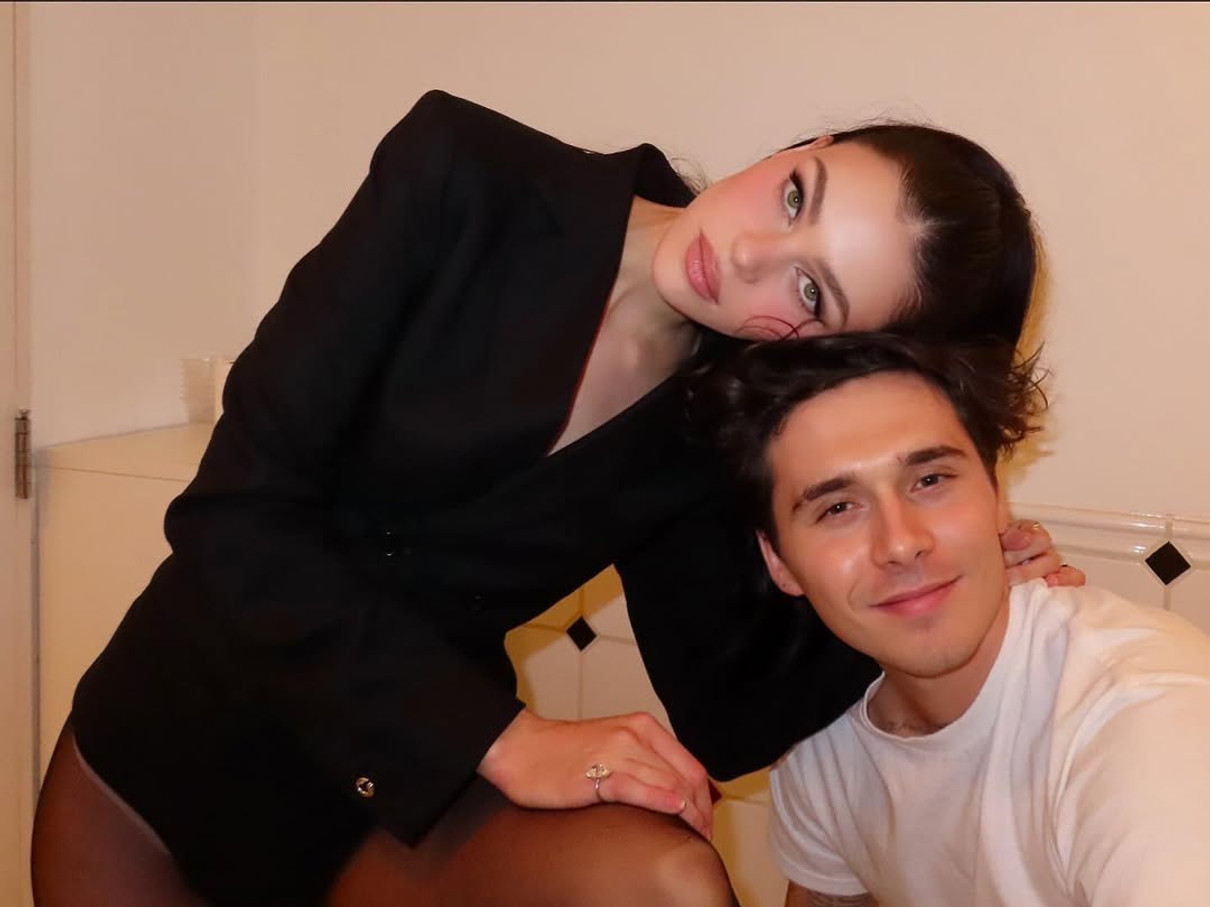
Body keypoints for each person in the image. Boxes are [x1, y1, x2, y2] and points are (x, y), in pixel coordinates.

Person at [31, 89, 1076, 907]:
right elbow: (232, 514)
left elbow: (730, 708)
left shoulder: (718, 408)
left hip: (395, 814)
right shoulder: (461, 173)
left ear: (833, 348)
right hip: (171, 759)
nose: (749, 254)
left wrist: (934, 572)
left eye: (810, 293)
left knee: (663, 879)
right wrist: (509, 741)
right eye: (796, 195)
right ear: (806, 145)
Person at [689, 331, 1210, 906]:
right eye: (837, 507)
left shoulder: (1147, 716)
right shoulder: (821, 740)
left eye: (930, 480)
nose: (901, 543)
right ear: (779, 561)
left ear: (997, 495)